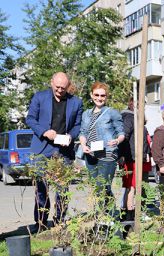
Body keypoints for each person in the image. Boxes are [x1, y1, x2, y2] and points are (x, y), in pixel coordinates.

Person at [26, 72, 83, 231]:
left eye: (63, 88)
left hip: (64, 150)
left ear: (68, 86)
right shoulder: (39, 97)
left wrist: (71, 136)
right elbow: (30, 119)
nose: (59, 90)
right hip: (42, 149)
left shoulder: (76, 102)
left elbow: (77, 125)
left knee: (62, 189)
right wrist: (44, 131)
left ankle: (59, 221)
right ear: (51, 83)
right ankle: (41, 223)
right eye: (57, 87)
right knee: (41, 188)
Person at [79, 82, 125, 210]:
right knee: (96, 186)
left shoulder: (112, 113)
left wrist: (117, 141)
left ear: (106, 97)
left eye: (103, 95)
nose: (99, 98)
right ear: (91, 95)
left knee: (103, 185)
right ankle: (105, 216)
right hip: (91, 153)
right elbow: (83, 133)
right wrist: (83, 145)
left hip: (108, 152)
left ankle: (107, 216)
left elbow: (121, 133)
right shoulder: (86, 114)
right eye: (97, 95)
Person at [119, 97, 151, 220]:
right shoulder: (129, 118)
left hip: (137, 157)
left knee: (134, 187)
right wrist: (122, 155)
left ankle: (131, 213)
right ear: (132, 104)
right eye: (140, 104)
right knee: (131, 187)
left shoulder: (137, 119)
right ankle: (129, 215)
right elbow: (124, 137)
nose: (143, 106)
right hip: (130, 158)